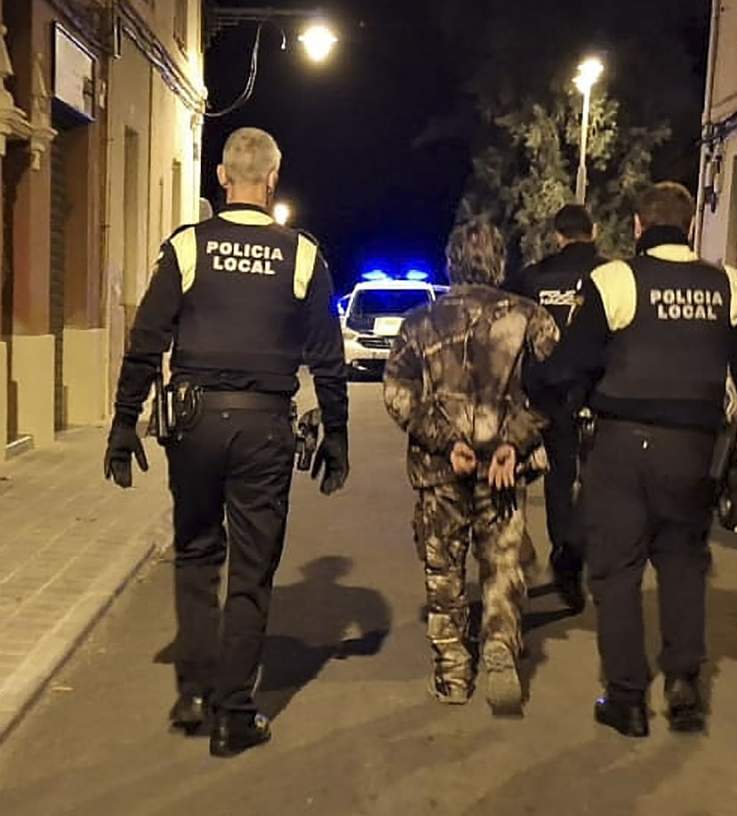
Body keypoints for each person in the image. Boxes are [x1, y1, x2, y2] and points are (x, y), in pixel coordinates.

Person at [102, 127, 350, 758]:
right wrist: (338, 434)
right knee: (252, 568)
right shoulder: (301, 255)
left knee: (195, 553)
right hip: (266, 426)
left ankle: (192, 692)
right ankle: (233, 714)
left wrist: (123, 422)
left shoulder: (188, 247)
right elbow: (327, 356)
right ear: (272, 179)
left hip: (193, 424)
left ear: (220, 176)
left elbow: (146, 338)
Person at [525, 182, 737, 738]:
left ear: (639, 227)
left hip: (622, 446)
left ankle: (626, 699)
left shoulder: (616, 280)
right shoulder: (730, 285)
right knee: (683, 563)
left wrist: (547, 401)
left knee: (618, 570)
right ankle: (684, 687)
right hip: (694, 451)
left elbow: (571, 364)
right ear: (691, 226)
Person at [383, 222, 557, 714]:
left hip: (441, 471)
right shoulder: (531, 318)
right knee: (503, 564)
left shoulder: (419, 322)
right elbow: (554, 389)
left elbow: (399, 394)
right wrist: (514, 442)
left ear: (450, 262)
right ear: (500, 262)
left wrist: (445, 441)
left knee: (443, 570)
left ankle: (453, 673)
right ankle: (501, 643)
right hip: (505, 469)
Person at [508, 202, 606, 614]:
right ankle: (573, 559)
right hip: (597, 396)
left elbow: (511, 334)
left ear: (556, 235)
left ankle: (536, 563)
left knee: (551, 481)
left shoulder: (532, 277)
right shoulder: (610, 275)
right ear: (595, 230)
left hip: (542, 395)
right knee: (597, 485)